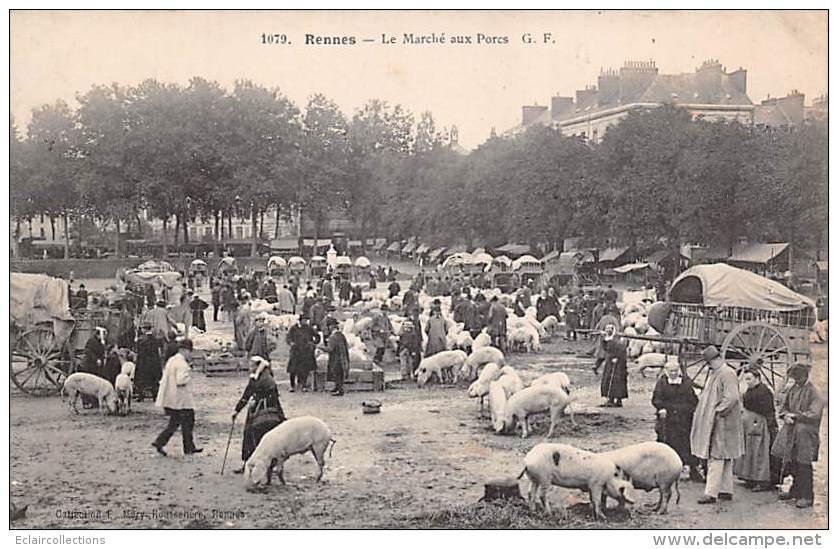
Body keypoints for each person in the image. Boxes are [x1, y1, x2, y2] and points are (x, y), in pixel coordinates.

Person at [690, 345, 744, 504]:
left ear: (718, 359)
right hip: (721, 421)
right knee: (725, 456)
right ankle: (726, 490)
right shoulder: (718, 373)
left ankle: (710, 493)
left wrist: (718, 411)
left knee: (716, 456)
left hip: (722, 422)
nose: (709, 365)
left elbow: (732, 397)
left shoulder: (726, 374)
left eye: (711, 362)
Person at [772, 363, 825, 508]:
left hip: (806, 435)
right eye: (794, 378)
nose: (796, 381)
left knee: (804, 463)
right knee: (792, 461)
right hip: (792, 432)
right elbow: (783, 407)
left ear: (805, 376)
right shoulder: (793, 389)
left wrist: (794, 416)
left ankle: (807, 496)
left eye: (798, 378)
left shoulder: (814, 392)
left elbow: (814, 414)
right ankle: (795, 490)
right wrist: (784, 415)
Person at [231, 356, 286, 474]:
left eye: (252, 365)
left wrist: (241, 408)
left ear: (257, 365)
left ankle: (258, 464)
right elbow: (247, 393)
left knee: (256, 436)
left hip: (265, 412)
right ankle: (252, 463)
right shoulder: (258, 376)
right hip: (261, 410)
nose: (249, 368)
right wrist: (238, 409)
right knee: (254, 436)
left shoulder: (266, 379)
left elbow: (260, 394)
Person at [652, 359, 702, 481]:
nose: (673, 373)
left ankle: (693, 470)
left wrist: (690, 410)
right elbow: (656, 399)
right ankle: (667, 471)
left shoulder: (685, 383)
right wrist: (661, 408)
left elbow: (693, 400)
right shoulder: (662, 383)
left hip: (684, 419)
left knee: (687, 443)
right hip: (668, 419)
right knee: (668, 443)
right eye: (671, 371)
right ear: (666, 371)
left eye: (675, 371)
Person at [152, 338, 202, 456]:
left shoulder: (172, 360)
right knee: (188, 421)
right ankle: (188, 447)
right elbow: (181, 381)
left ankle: (160, 441)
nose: (190, 354)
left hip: (171, 397)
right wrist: (189, 373)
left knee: (174, 422)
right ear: (185, 350)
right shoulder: (182, 364)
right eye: (190, 352)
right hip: (182, 398)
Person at [733, 368, 781, 492]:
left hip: (760, 424)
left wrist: (771, 427)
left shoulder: (764, 391)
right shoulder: (750, 389)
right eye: (746, 379)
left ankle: (763, 481)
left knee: (760, 452)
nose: (747, 382)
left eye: (749, 379)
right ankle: (750, 477)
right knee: (750, 450)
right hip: (750, 423)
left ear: (757, 378)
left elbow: (769, 411)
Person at [286, 315, 319, 392]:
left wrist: (313, 343)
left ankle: (304, 385)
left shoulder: (308, 328)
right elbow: (288, 338)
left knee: (305, 369)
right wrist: (291, 343)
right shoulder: (294, 328)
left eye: (306, 320)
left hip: (306, 352)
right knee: (293, 369)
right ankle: (292, 385)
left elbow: (317, 336)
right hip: (296, 351)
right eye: (304, 320)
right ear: (300, 321)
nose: (306, 322)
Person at [320, 317, 350, 396]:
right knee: (340, 373)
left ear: (331, 327)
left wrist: (320, 347)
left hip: (335, 358)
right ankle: (337, 387)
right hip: (342, 357)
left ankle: (339, 390)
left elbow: (330, 349)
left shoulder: (332, 337)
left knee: (336, 373)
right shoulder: (341, 335)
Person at [599, 325, 628, 407]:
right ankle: (610, 399)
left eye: (609, 329)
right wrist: (603, 339)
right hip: (609, 362)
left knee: (617, 380)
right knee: (608, 379)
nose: (607, 330)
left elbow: (621, 348)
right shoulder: (607, 338)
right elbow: (605, 348)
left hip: (618, 364)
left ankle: (618, 400)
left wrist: (617, 357)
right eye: (606, 329)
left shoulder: (617, 338)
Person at [135, 322, 162, 401]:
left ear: (145, 329)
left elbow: (139, 352)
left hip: (144, 362)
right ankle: (155, 396)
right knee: (153, 380)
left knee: (141, 380)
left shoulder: (141, 340)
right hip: (154, 363)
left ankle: (141, 396)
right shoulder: (155, 339)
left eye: (142, 328)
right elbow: (158, 352)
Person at [397, 313, 423, 380]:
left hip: (403, 347)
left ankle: (404, 375)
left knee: (403, 362)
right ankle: (408, 374)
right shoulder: (413, 331)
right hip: (409, 347)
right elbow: (415, 338)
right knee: (409, 361)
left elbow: (400, 335)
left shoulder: (403, 329)